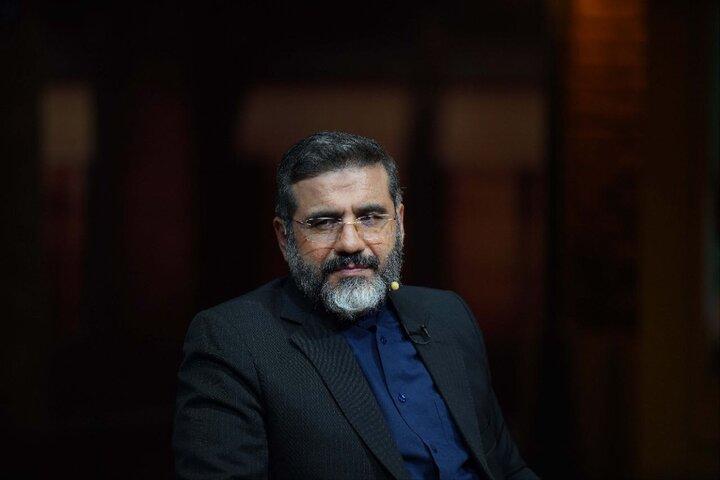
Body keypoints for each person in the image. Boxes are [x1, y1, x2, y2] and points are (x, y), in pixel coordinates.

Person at [173, 131, 538, 479]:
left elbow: (506, 468)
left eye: (370, 218)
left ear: (399, 223)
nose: (351, 242)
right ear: (285, 237)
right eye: (324, 222)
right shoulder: (233, 340)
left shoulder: (447, 315)